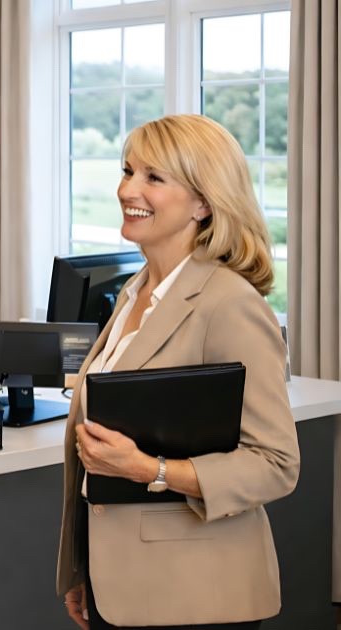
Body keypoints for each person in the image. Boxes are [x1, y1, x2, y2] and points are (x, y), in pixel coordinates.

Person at [56, 114, 300, 629]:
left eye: (154, 178)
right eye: (128, 171)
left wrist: (151, 470)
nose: (128, 190)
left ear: (204, 202)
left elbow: (275, 463)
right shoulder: (131, 293)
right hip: (119, 586)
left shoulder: (230, 303)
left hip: (195, 595)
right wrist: (84, 570)